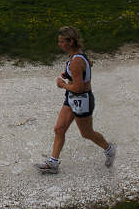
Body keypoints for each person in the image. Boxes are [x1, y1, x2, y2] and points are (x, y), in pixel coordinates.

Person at [35, 26, 116, 174]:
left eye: (61, 42)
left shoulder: (76, 61)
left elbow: (79, 88)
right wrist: (69, 76)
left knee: (86, 133)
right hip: (72, 98)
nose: (59, 44)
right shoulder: (76, 56)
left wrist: (62, 84)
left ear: (70, 41)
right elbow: (80, 75)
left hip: (82, 101)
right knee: (59, 129)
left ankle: (109, 149)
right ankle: (53, 163)